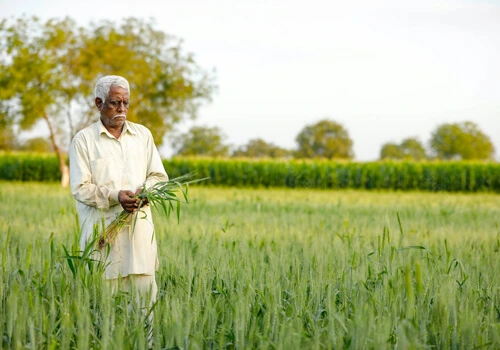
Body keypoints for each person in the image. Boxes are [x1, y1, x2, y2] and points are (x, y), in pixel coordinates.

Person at [69, 75, 168, 304]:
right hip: (103, 243)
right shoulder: (83, 141)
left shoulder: (142, 136)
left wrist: (147, 192)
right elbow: (80, 188)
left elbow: (159, 176)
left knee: (145, 319)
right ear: (98, 103)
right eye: (114, 102)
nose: (121, 109)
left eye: (125, 102)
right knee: (106, 316)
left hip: (140, 242)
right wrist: (116, 196)